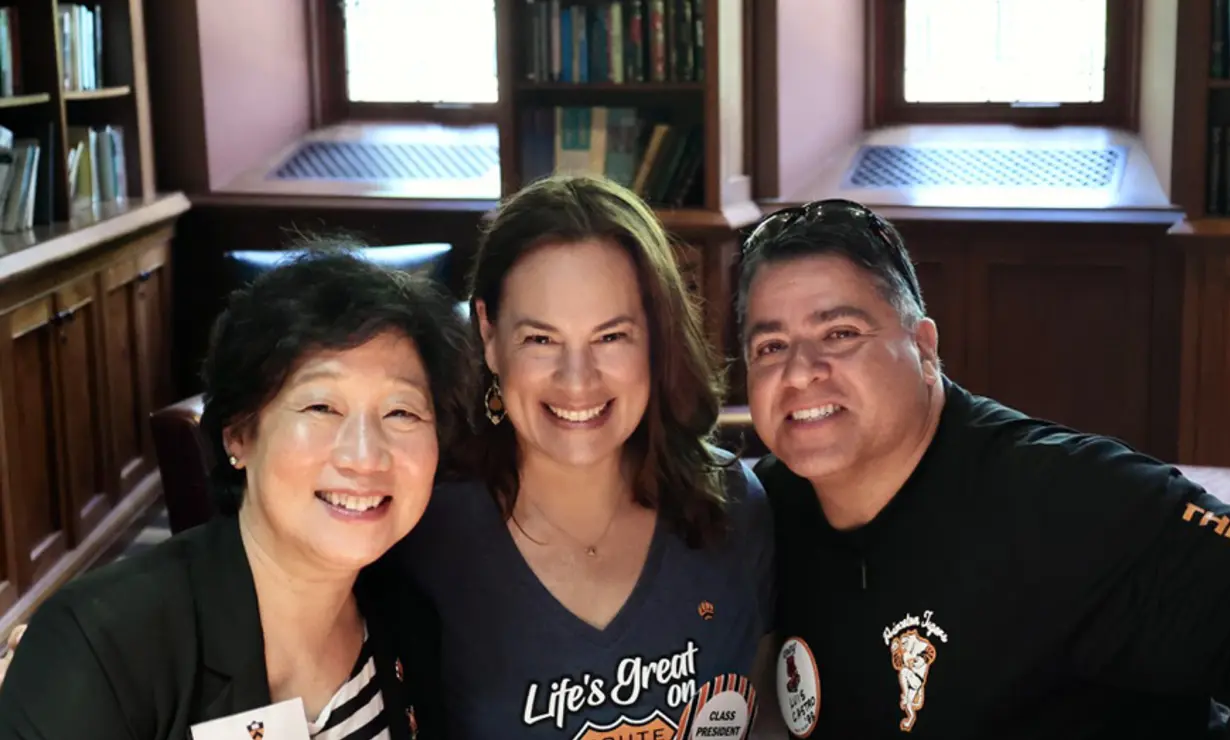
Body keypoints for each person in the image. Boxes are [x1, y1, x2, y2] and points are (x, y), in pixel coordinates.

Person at [738, 199, 1230, 739]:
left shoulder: (1069, 498)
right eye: (771, 347)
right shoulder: (757, 510)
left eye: (840, 334)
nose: (800, 372)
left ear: (924, 349)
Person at [0, 247, 474, 740]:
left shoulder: (409, 621)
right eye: (320, 406)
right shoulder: (102, 651)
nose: (364, 455)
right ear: (238, 435)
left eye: (402, 413)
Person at [398, 174, 776, 740]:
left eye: (611, 336)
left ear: (656, 336)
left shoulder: (732, 506)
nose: (578, 380)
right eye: (541, 339)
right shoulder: (423, 531)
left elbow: (767, 718)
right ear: (489, 333)